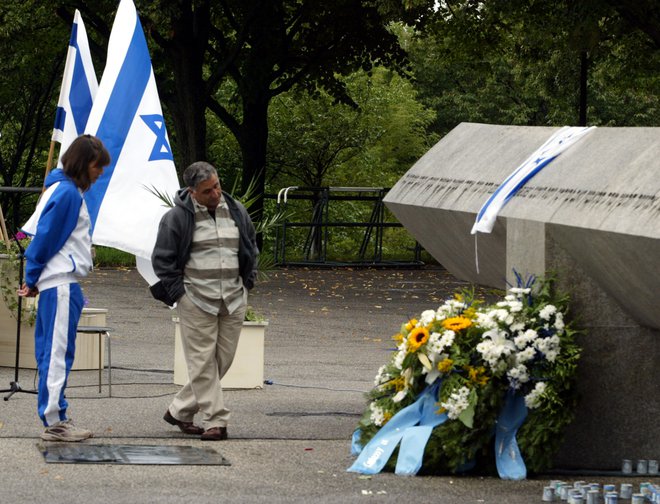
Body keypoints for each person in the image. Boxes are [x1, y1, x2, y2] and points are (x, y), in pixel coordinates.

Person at [151, 161, 258, 440]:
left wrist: (248, 282)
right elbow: (162, 260)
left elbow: (250, 246)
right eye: (208, 190)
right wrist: (181, 295)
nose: (216, 193)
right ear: (193, 192)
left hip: (234, 298)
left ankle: (179, 410)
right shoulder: (176, 217)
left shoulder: (236, 210)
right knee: (201, 362)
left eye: (217, 186)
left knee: (222, 360)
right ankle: (216, 420)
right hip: (196, 299)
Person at [18, 134, 110, 442]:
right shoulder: (69, 193)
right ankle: (56, 421)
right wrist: (32, 278)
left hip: (53, 283)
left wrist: (34, 279)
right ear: (85, 163)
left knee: (50, 352)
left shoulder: (58, 188)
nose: (99, 173)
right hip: (60, 284)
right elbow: (45, 239)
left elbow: (43, 238)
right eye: (97, 166)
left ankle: (53, 415)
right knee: (57, 353)